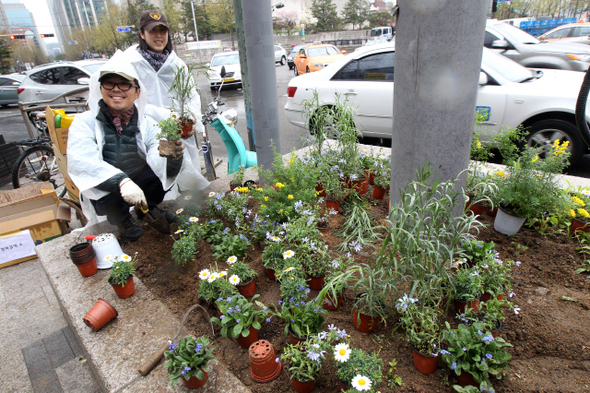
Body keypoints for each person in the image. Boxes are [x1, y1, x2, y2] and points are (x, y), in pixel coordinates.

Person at [67, 51, 189, 241]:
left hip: (138, 178)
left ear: (137, 92)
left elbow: (160, 163)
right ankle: (123, 220)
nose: (116, 90)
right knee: (105, 192)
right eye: (109, 83)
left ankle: (147, 208)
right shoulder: (84, 122)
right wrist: (121, 182)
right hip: (110, 186)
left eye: (124, 84)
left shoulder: (146, 121)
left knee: (156, 175)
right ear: (101, 89)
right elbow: (84, 162)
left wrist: (173, 157)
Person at [123, 10, 209, 194]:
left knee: (188, 187)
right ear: (141, 33)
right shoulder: (131, 64)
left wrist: (191, 120)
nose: (159, 36)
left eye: (163, 30)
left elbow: (191, 96)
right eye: (153, 31)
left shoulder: (176, 64)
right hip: (148, 134)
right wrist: (167, 116)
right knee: (158, 184)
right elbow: (130, 102)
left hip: (180, 134)